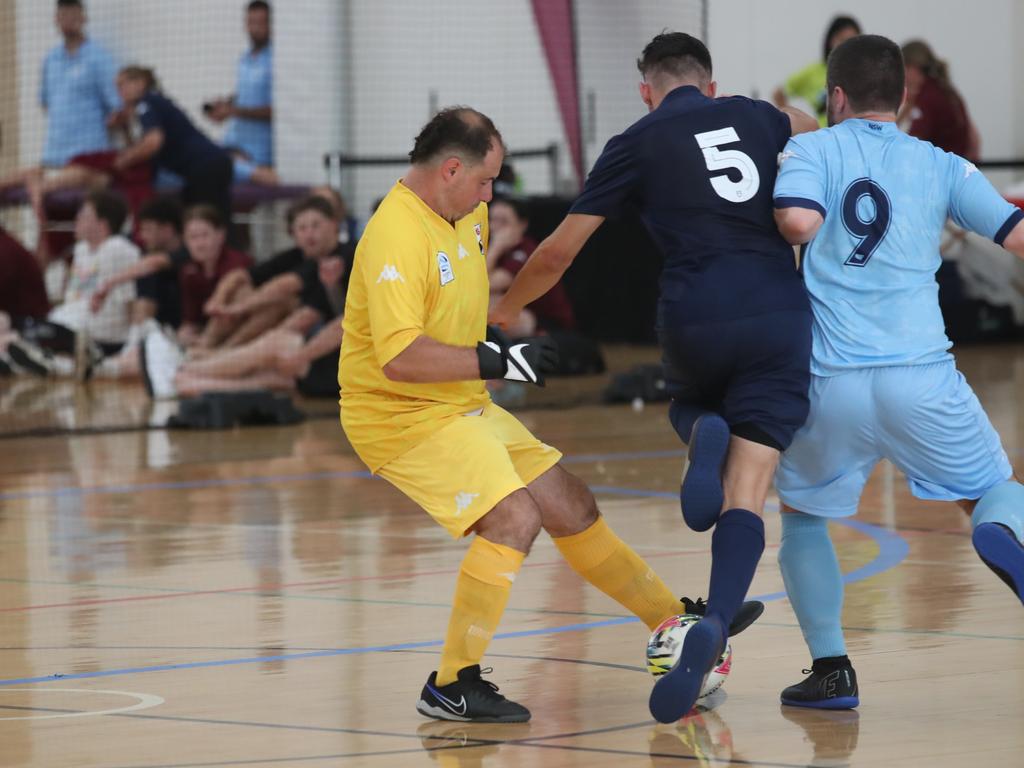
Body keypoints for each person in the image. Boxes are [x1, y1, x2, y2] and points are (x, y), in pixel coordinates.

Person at [339, 107, 763, 724]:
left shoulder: (467, 211)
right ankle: (452, 683)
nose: (492, 193)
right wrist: (497, 356)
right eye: (486, 180)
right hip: (397, 415)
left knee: (571, 502)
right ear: (450, 169)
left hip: (459, 403)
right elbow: (400, 359)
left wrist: (501, 337)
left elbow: (454, 300)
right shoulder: (394, 236)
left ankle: (677, 623)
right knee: (513, 519)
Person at [489, 33, 819, 723]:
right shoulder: (758, 114)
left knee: (693, 400)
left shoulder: (635, 140)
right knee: (750, 488)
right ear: (710, 82)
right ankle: (717, 621)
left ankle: (701, 428)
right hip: (773, 309)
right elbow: (809, 126)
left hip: (694, 312)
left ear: (648, 90)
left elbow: (558, 252)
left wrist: (504, 307)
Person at [771, 34, 1024, 709]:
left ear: (836, 97)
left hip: (831, 382)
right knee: (995, 491)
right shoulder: (942, 164)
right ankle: (1000, 527)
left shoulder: (811, 149)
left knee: (801, 517)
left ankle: (831, 672)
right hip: (921, 376)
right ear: (903, 98)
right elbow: (1017, 235)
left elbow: (796, 222)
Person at [3, 190, 139, 376]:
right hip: (64, 326)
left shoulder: (118, 249)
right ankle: (43, 362)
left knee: (12, 337)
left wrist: (131, 344)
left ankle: (53, 363)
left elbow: (132, 303)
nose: (76, 219)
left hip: (98, 335)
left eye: (83, 215)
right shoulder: (81, 249)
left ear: (102, 224)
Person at [198, 195, 345, 350]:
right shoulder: (298, 255)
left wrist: (237, 309)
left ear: (334, 224)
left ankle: (225, 350)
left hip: (326, 327)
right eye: (302, 228)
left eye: (316, 226)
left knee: (280, 303)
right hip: (300, 324)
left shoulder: (343, 254)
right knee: (242, 291)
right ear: (293, 233)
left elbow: (285, 286)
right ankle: (207, 345)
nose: (309, 234)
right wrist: (218, 300)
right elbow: (239, 275)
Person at [113, 66, 234, 223]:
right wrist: (124, 127)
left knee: (204, 221)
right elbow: (142, 145)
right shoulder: (151, 104)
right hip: (211, 166)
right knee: (216, 220)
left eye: (123, 84)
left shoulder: (147, 103)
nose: (120, 91)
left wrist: (124, 161)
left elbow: (153, 142)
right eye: (118, 86)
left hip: (205, 168)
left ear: (141, 83)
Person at [40, 0, 121, 168]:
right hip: (54, 154)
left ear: (84, 18)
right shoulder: (51, 59)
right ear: (56, 19)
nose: (68, 20)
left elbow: (117, 106)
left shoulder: (98, 57)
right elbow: (46, 103)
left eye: (73, 15)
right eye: (63, 15)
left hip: (88, 155)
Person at [204, 1, 277, 186]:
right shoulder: (244, 59)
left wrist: (234, 111)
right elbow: (247, 95)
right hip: (234, 141)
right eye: (251, 22)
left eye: (261, 23)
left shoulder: (277, 58)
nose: (255, 28)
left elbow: (279, 110)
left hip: (258, 152)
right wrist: (225, 105)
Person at [487, 196, 574, 338]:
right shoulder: (497, 249)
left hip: (546, 322)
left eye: (504, 222)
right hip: (520, 311)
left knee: (487, 306)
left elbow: (485, 285)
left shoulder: (525, 251)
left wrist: (495, 247)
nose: (495, 227)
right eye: (492, 220)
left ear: (522, 225)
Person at [772, 15, 861, 128]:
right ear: (830, 40)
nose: (847, 46)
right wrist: (789, 124)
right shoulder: (813, 72)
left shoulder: (864, 72)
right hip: (824, 139)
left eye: (852, 40)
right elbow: (779, 93)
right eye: (841, 39)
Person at [899, 40, 979, 160]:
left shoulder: (928, 98)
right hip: (956, 167)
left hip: (941, 171)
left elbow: (913, 143)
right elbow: (973, 140)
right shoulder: (944, 90)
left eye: (902, 68)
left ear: (912, 67)